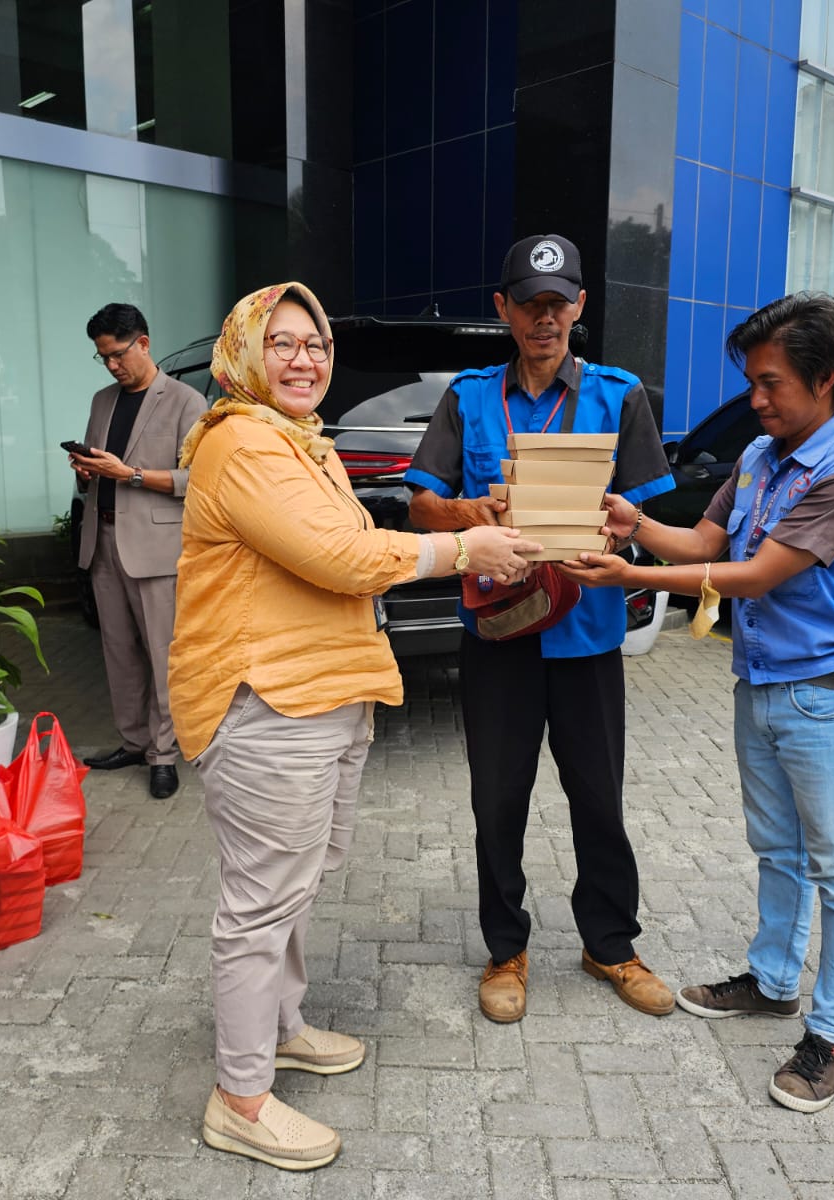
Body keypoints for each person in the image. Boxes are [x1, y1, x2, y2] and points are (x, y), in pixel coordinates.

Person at [169, 282, 540, 1171]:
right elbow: (340, 557)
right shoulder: (245, 442)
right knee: (261, 903)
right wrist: (463, 549)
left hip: (321, 694)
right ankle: (241, 1098)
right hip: (265, 701)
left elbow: (352, 546)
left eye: (316, 345)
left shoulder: (306, 445)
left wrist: (463, 523)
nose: (306, 361)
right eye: (285, 344)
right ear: (247, 353)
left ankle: (282, 1027)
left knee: (293, 886)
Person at [558, 292, 834, 1113]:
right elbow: (708, 545)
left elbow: (754, 575)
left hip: (826, 699)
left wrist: (632, 577)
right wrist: (635, 522)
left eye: (770, 382)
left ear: (826, 379)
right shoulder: (760, 455)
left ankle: (831, 1032)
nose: (755, 398)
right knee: (777, 850)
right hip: (761, 688)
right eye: (751, 381)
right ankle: (774, 982)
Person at [403, 234, 678, 1025]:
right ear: (504, 310)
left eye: (559, 303)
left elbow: (645, 512)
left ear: (580, 307)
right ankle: (505, 949)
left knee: (598, 798)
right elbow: (422, 505)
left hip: (587, 633)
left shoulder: (619, 397)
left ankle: (611, 945)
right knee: (499, 799)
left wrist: (624, 534)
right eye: (529, 303)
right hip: (499, 636)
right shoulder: (469, 397)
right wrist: (469, 511)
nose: (544, 317)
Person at [70, 303, 207, 800]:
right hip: (103, 539)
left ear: (144, 344)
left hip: (155, 547)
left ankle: (164, 755)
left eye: (117, 354)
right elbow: (99, 464)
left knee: (163, 655)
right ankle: (133, 741)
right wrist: (86, 470)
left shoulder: (187, 402)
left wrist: (127, 474)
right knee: (119, 653)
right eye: (102, 357)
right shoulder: (102, 400)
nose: (111, 365)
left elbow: (201, 480)